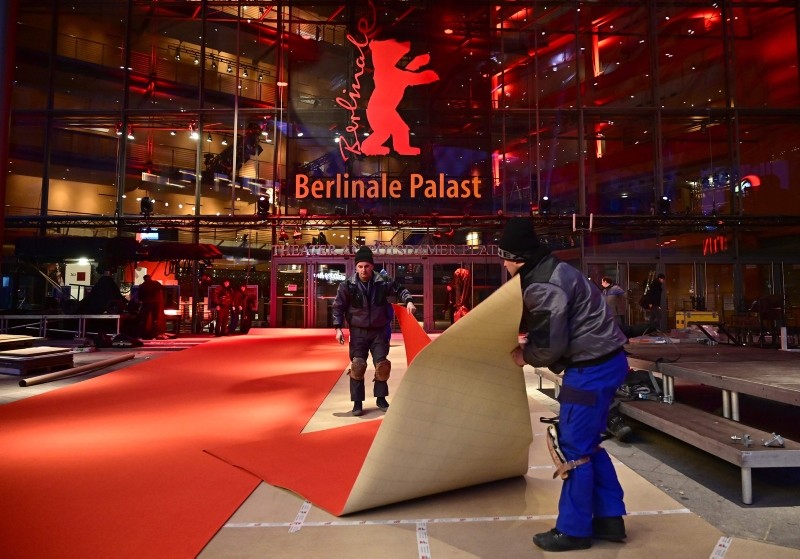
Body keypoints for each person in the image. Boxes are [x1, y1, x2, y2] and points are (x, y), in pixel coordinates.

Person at [499, 217, 629, 552]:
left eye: (505, 256)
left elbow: (551, 344)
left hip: (590, 370)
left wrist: (524, 354)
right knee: (589, 442)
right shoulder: (555, 269)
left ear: (517, 259)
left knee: (572, 449)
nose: (503, 263)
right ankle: (610, 519)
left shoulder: (542, 285)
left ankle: (573, 530)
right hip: (606, 362)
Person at [332, 246, 416, 417]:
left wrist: (408, 301)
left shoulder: (383, 281)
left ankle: (381, 398)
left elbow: (400, 289)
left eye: (367, 266)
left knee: (382, 366)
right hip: (358, 331)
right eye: (361, 266)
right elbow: (338, 306)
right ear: (356, 267)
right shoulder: (347, 285)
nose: (364, 270)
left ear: (372, 266)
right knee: (358, 366)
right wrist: (338, 328)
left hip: (380, 331)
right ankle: (357, 402)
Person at [137, 274, 164, 339]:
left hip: (146, 303)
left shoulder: (142, 286)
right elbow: (163, 288)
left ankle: (142, 334)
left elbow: (139, 297)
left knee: (143, 319)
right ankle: (154, 333)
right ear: (150, 278)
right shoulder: (156, 283)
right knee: (154, 319)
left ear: (144, 279)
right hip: (155, 303)